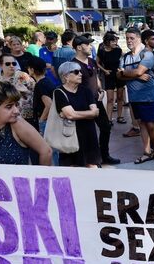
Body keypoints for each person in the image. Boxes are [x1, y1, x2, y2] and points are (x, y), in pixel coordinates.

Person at [0, 79, 52, 165]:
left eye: (16, 105)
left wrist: (39, 177)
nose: (16, 111)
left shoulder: (17, 124)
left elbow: (46, 151)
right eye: (9, 107)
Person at [72, 35, 120, 165]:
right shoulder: (73, 65)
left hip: (96, 101)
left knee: (105, 127)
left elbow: (96, 76)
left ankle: (104, 155)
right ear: (79, 47)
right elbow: (73, 85)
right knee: (88, 133)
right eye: (87, 44)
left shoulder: (91, 61)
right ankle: (91, 159)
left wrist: (100, 89)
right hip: (82, 104)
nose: (90, 47)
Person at [118, 27, 154, 164]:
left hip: (149, 96)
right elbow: (118, 76)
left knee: (151, 124)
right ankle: (147, 152)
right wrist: (133, 74)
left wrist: (126, 72)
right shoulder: (125, 57)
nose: (129, 41)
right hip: (134, 97)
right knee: (142, 124)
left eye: (131, 38)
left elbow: (138, 72)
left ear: (138, 38)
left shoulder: (147, 54)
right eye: (127, 38)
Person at [52, 62, 101, 167]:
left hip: (88, 136)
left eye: (80, 71)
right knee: (72, 169)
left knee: (92, 166)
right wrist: (88, 113)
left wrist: (73, 114)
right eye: (76, 72)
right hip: (69, 136)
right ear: (66, 76)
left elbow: (95, 112)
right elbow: (71, 115)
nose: (80, 74)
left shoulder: (86, 91)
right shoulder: (59, 92)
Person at [27, 56, 59, 165]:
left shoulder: (41, 85)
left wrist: (41, 121)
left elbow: (48, 105)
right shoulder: (47, 81)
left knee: (51, 152)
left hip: (47, 122)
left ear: (32, 69)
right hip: (53, 121)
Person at [96, 33, 126, 123]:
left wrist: (122, 70)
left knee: (120, 97)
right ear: (108, 42)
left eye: (116, 40)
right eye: (113, 41)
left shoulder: (118, 50)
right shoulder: (101, 51)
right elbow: (97, 63)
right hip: (109, 75)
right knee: (110, 99)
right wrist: (105, 70)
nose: (115, 42)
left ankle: (120, 116)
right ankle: (109, 119)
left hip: (119, 75)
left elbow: (122, 61)